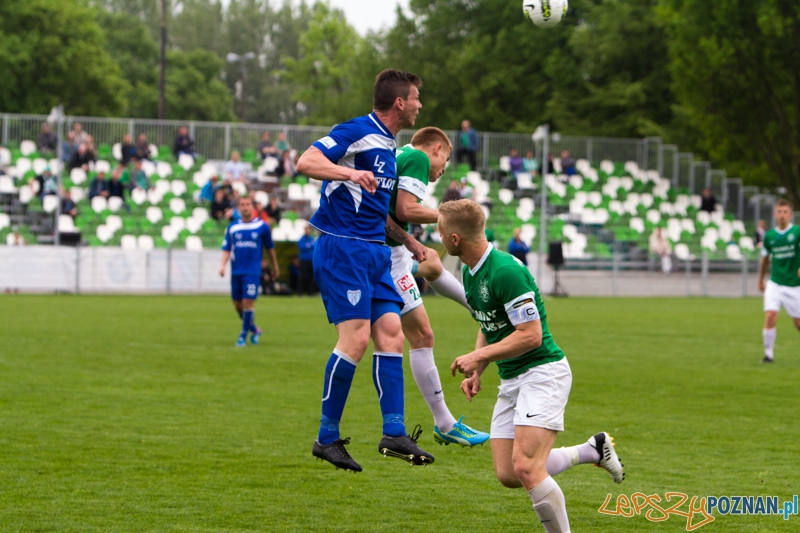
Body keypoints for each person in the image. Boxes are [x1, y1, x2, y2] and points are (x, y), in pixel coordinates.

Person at [441, 199, 624, 533]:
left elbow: (532, 336)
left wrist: (481, 357)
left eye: (440, 231)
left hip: (543, 372)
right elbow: (489, 321)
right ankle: (591, 450)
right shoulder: (469, 270)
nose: (437, 236)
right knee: (509, 474)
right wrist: (479, 367)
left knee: (527, 467)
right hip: (512, 378)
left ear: (455, 239)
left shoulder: (506, 271)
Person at [296, 68, 433, 472]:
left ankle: (393, 431)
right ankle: (326, 437)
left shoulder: (389, 146)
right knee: (355, 340)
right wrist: (349, 171)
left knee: (391, 335)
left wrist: (410, 241)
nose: (420, 105)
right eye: (416, 98)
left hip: (375, 253)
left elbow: (378, 212)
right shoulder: (357, 130)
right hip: (344, 250)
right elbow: (306, 160)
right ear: (399, 103)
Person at [388, 126, 489, 447]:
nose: (444, 167)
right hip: (387, 256)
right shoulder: (417, 156)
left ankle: (477, 307)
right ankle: (443, 423)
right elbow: (406, 209)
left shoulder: (398, 154)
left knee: (431, 261)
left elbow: (390, 213)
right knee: (420, 335)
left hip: (391, 249)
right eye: (445, 158)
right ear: (434, 148)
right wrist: (449, 217)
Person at [219, 195, 280, 347]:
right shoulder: (232, 227)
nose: (245, 207)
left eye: (248, 204)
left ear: (253, 207)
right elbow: (227, 248)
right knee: (237, 305)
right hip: (236, 271)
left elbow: (270, 249)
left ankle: (242, 336)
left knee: (248, 303)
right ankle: (254, 329)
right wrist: (222, 265)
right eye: (242, 204)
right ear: (239, 208)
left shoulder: (262, 226)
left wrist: (275, 266)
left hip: (252, 271)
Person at [758, 199, 800, 363]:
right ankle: (768, 355)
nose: (782, 215)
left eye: (785, 212)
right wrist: (761, 280)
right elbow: (765, 259)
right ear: (775, 214)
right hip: (775, 283)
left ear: (790, 214)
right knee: (770, 315)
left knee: (798, 323)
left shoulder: (797, 232)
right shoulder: (769, 236)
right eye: (779, 212)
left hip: (794, 285)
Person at [297, 226, 317, 295]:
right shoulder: (301, 239)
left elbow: (314, 245)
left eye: (308, 230)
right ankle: (300, 292)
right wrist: (309, 245)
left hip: (311, 260)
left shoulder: (312, 238)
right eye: (306, 230)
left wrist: (307, 245)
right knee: (302, 276)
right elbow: (302, 246)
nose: (307, 231)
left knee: (311, 277)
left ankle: (311, 292)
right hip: (303, 260)